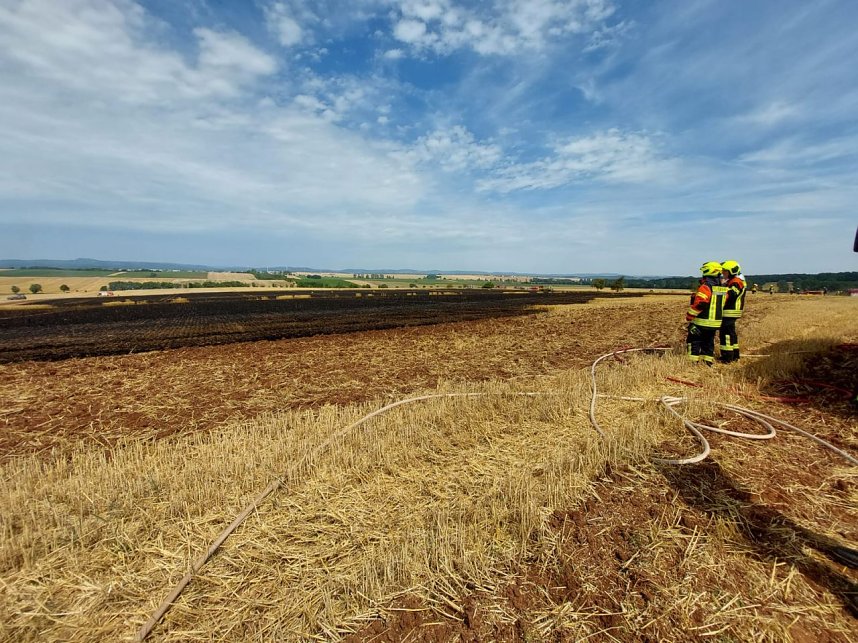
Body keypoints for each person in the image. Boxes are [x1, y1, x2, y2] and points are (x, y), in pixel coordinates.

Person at [686, 262, 727, 366]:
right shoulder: (722, 288)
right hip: (714, 323)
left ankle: (692, 362)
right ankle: (707, 362)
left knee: (694, 340)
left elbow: (701, 304)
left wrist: (690, 315)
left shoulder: (706, 287)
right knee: (708, 343)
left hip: (701, 321)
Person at [719, 260, 746, 363]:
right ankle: (735, 355)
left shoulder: (736, 282)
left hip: (730, 311)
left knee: (726, 335)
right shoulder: (735, 280)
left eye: (725, 271)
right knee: (731, 334)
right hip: (731, 311)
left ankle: (728, 357)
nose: (723, 273)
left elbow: (731, 295)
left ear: (731, 271)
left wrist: (719, 292)